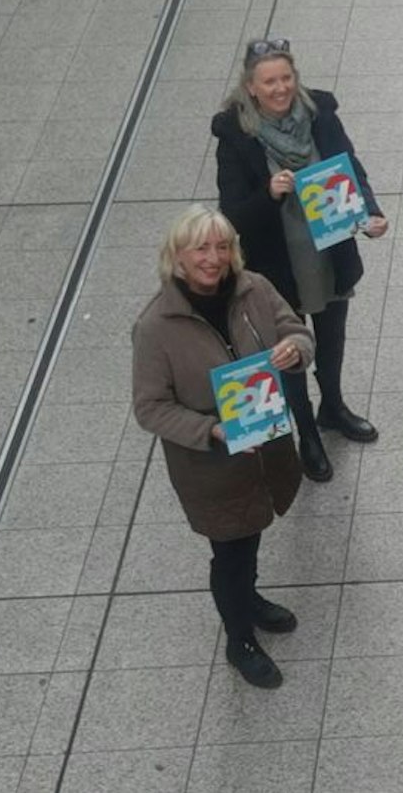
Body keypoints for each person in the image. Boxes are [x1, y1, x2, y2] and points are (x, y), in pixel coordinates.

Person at [131, 205, 313, 689]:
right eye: (200, 249)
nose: (213, 258)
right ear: (177, 257)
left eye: (222, 246)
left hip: (265, 452)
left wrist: (295, 350)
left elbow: (297, 330)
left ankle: (249, 600)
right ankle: (239, 640)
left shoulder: (256, 289)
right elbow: (150, 408)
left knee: (250, 535)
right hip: (212, 469)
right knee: (230, 552)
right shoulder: (155, 327)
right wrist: (211, 431)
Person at [212, 37, 387, 484]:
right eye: (269, 82)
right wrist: (268, 194)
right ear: (251, 87)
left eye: (286, 78)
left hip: (329, 253)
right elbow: (231, 215)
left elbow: (351, 166)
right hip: (276, 265)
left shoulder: (320, 113)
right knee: (289, 349)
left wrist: (370, 211)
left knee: (331, 338)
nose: (280, 89)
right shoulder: (235, 135)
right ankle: (305, 431)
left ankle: (333, 407)